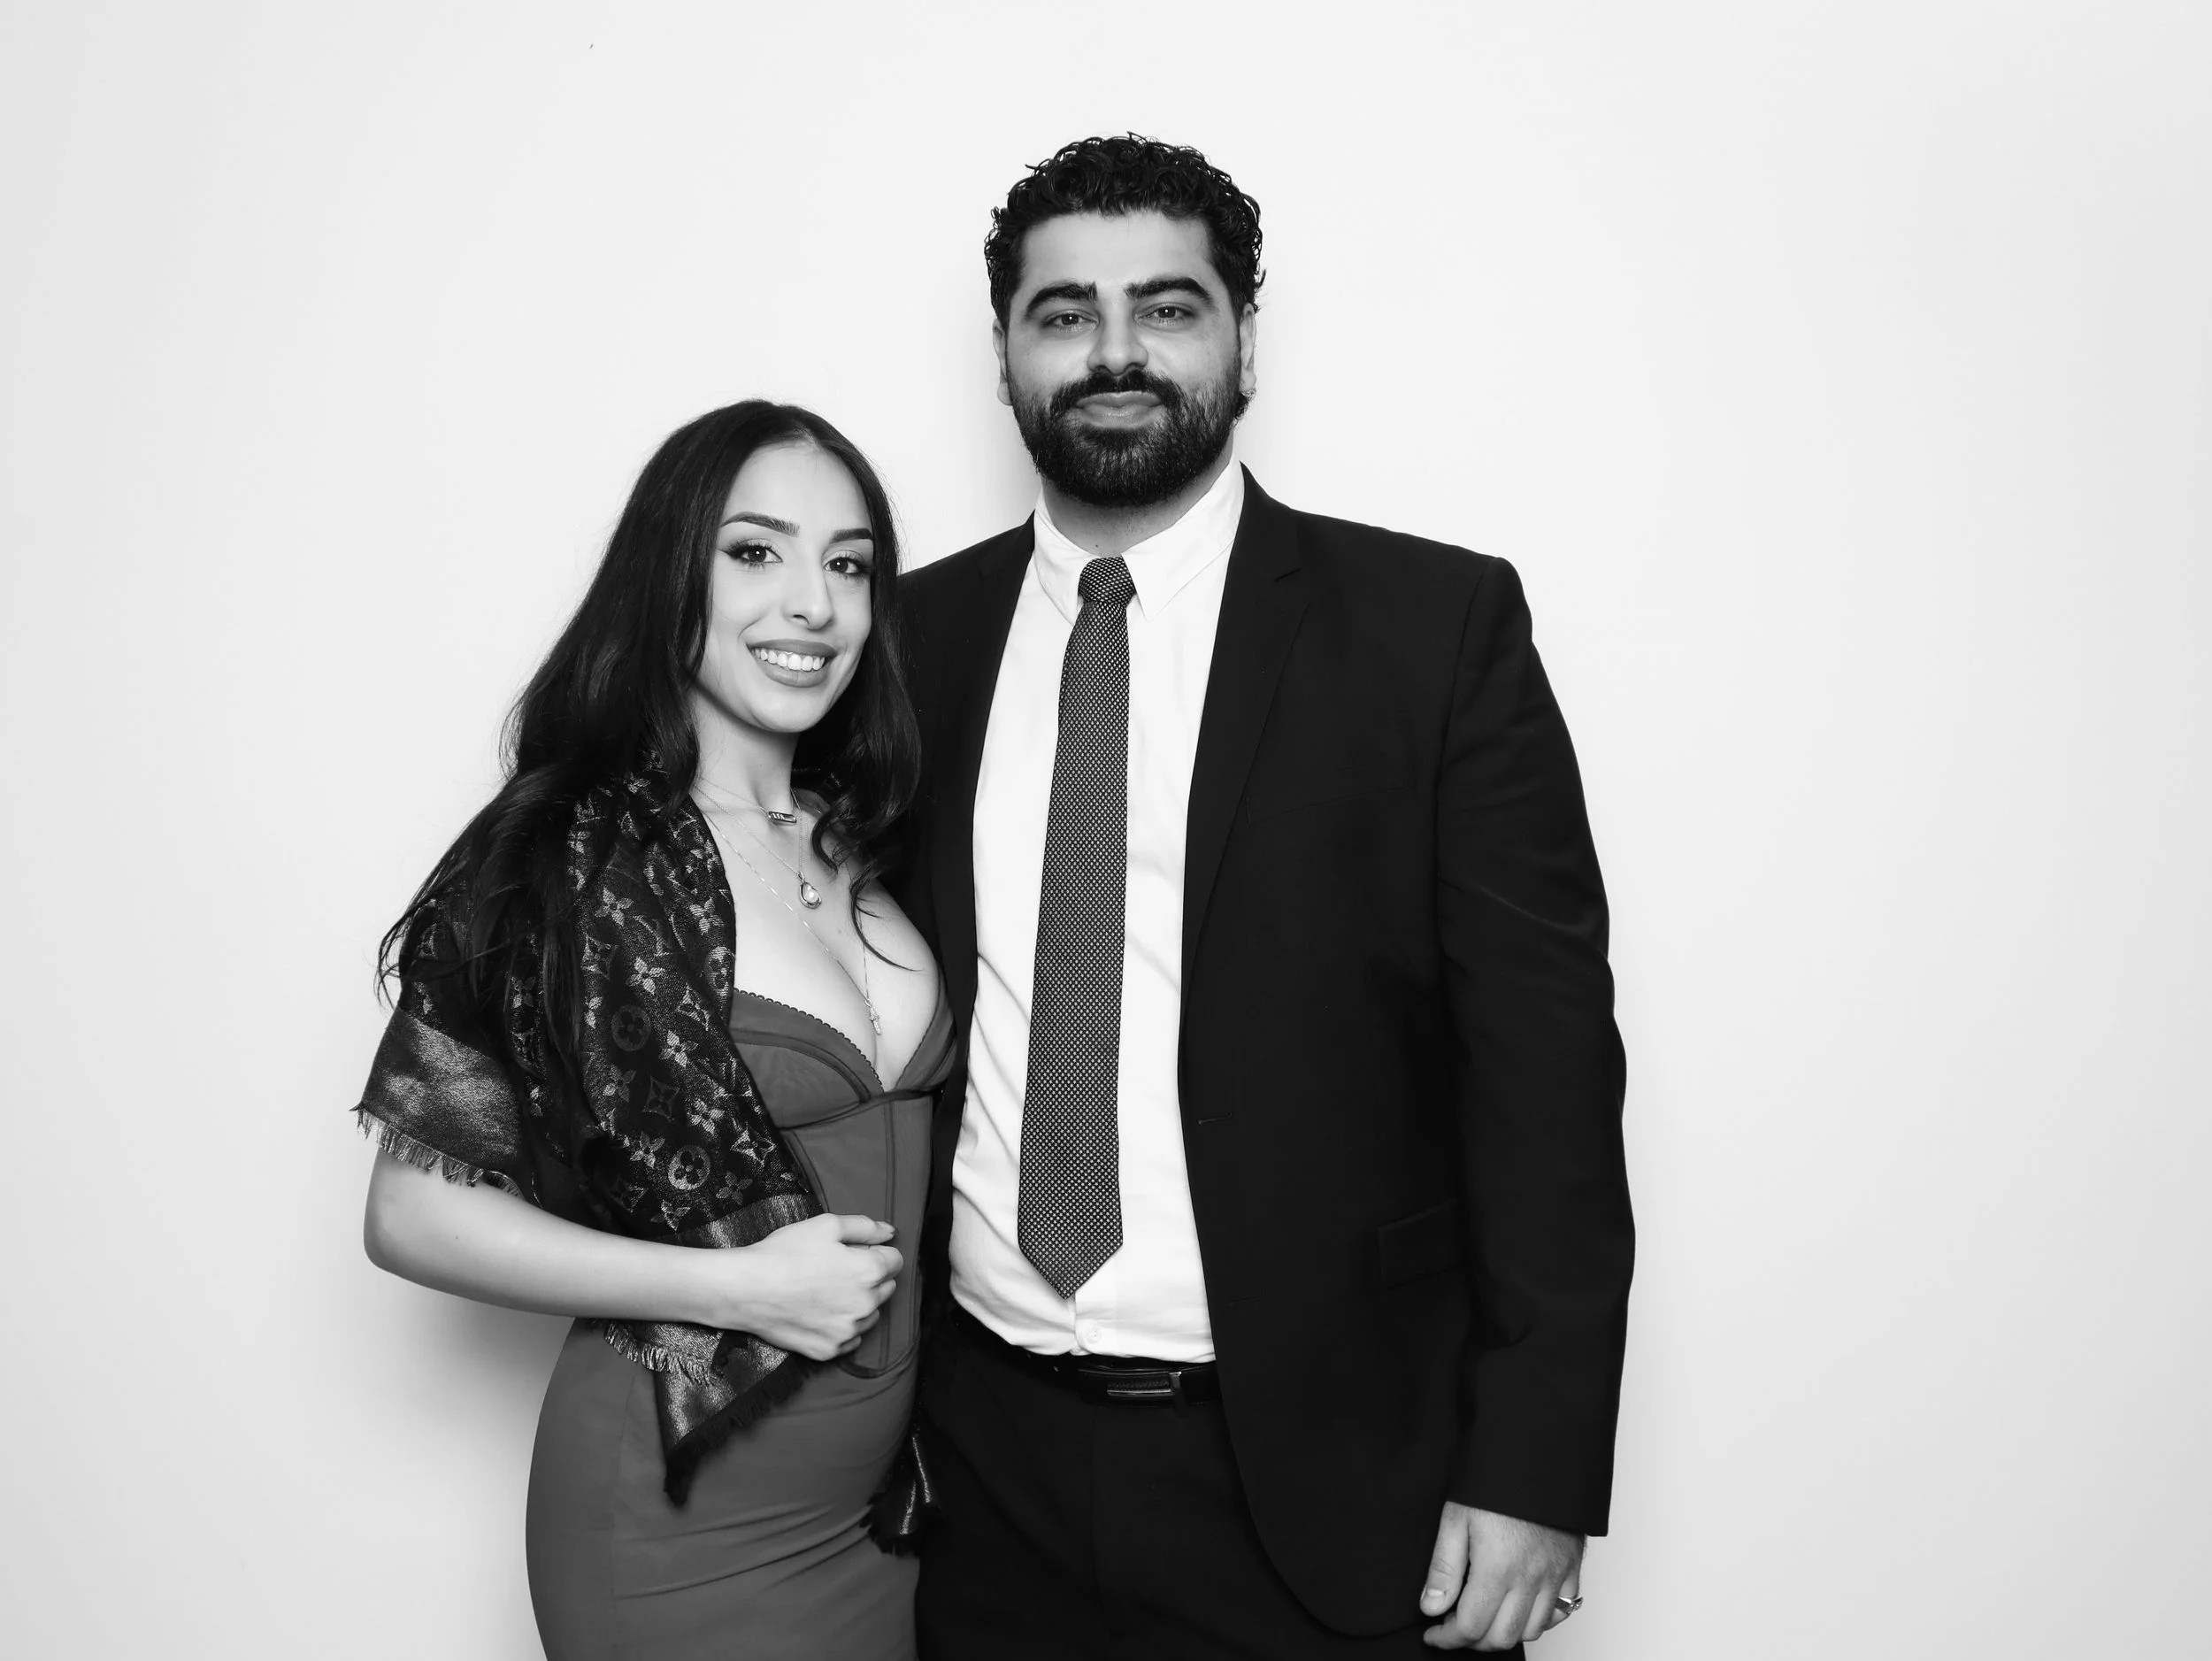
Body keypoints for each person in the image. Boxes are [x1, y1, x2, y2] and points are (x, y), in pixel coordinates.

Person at [893, 136, 1634, 1657]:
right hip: (983, 1472)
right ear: (1005, 354)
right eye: (1063, 313)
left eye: (1167, 309)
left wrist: (1535, 1461)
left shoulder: (1433, 633)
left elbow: (1547, 1076)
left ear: (1243, 337)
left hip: (1328, 1479)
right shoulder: (906, 642)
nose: (1113, 353)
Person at [356, 400, 946, 1660]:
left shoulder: (871, 837)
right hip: (673, 1520)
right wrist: (736, 1286)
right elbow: (410, 1214)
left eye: (849, 565)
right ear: (670, 570)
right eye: (756, 552)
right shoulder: (575, 853)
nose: (814, 603)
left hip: (888, 1519)